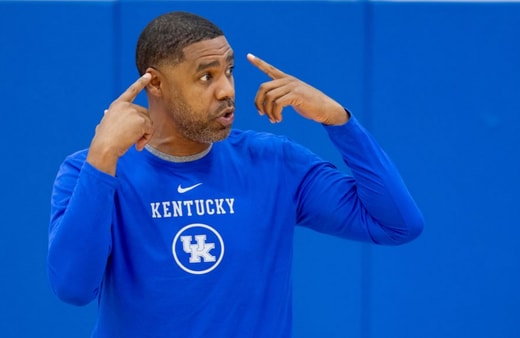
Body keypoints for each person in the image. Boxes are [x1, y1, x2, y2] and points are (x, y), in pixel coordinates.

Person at [47, 11, 424, 337]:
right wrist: (102, 159)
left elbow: (397, 224)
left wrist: (338, 120)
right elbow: (73, 287)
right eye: (206, 77)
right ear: (156, 83)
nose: (227, 89)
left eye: (229, 71)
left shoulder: (275, 162)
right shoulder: (91, 170)